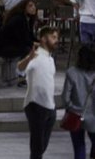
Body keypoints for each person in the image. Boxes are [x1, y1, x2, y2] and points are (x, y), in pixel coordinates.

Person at [19, 26, 59, 159]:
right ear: (43, 39)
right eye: (53, 37)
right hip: (36, 105)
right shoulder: (35, 56)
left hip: (50, 107)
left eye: (56, 37)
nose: (56, 40)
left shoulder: (51, 59)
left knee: (42, 146)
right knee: (37, 147)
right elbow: (19, 69)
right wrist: (29, 58)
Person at [62, 44, 95, 159]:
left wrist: (73, 108)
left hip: (75, 115)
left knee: (79, 147)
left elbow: (65, 98)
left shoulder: (72, 72)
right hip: (94, 117)